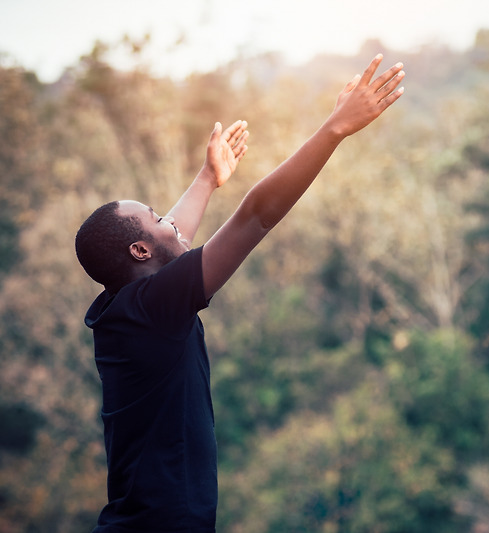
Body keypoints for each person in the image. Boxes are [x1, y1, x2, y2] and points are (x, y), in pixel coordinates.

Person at [75, 55, 405, 533]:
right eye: (156, 215)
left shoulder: (123, 309)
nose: (171, 219)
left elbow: (171, 241)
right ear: (140, 248)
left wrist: (207, 179)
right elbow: (255, 215)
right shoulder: (153, 308)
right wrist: (334, 129)